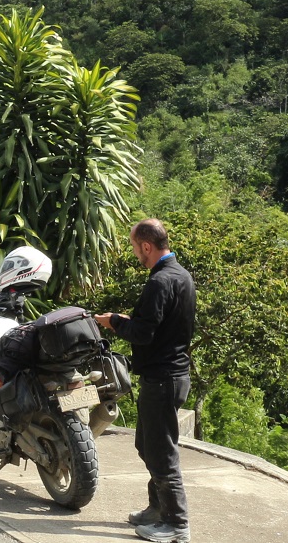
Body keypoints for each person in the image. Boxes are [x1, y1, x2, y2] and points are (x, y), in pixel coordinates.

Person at [95, 218, 195, 543]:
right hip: (173, 376)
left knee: (161, 452)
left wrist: (113, 322)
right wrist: (128, 320)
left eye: (135, 247)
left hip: (163, 379)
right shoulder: (181, 275)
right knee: (147, 445)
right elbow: (158, 325)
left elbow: (143, 333)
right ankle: (157, 508)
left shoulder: (160, 282)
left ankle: (177, 524)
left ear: (147, 246)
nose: (135, 253)